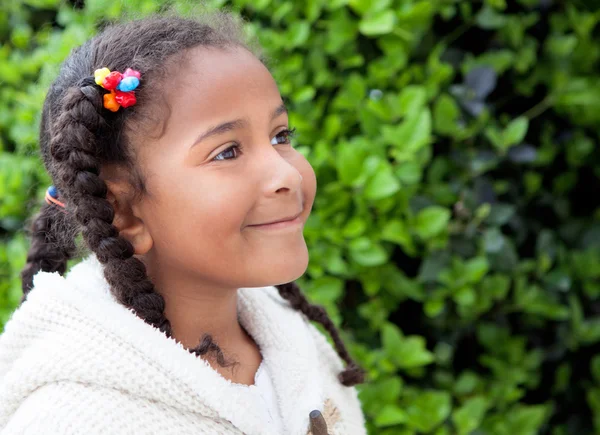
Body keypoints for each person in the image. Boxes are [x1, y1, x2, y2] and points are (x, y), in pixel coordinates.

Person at [0, 10, 367, 435]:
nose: (287, 175)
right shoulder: (73, 420)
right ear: (123, 212)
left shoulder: (294, 343)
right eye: (227, 151)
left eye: (280, 136)